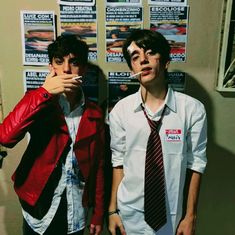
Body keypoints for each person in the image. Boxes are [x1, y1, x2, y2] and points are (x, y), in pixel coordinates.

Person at [0, 35, 105, 235]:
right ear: (51, 67)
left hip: (76, 207)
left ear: (82, 69)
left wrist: (99, 213)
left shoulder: (94, 113)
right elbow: (6, 137)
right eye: (59, 62)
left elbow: (98, 165)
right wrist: (44, 92)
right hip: (38, 205)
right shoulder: (38, 101)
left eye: (73, 62)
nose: (66, 69)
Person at [108, 29, 207, 235]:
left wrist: (190, 216)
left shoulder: (192, 109)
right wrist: (112, 211)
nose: (143, 60)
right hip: (129, 215)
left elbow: (196, 164)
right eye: (135, 57)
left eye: (151, 53)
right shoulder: (121, 111)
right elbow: (118, 162)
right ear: (131, 68)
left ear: (166, 61)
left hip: (171, 217)